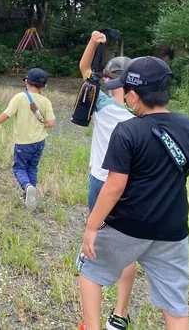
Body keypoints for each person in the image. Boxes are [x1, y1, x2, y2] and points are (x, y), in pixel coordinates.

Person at [77, 57, 189, 330]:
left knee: (90, 270)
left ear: (132, 97)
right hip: (172, 230)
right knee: (176, 305)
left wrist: (92, 226)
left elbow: (115, 186)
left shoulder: (127, 130)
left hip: (127, 225)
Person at [78, 31, 136, 329]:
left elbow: (85, 70)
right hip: (130, 185)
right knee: (128, 246)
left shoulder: (100, 104)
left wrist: (93, 41)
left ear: (109, 77)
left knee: (96, 241)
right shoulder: (141, 114)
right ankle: (120, 313)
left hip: (101, 180)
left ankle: (92, 319)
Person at [0, 68, 55, 211]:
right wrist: (43, 123)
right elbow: (51, 123)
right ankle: (29, 194)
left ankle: (27, 187)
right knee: (32, 167)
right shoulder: (46, 101)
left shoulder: (20, 97)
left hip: (23, 142)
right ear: (44, 86)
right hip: (40, 142)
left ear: (26, 82)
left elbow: (6, 115)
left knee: (19, 167)